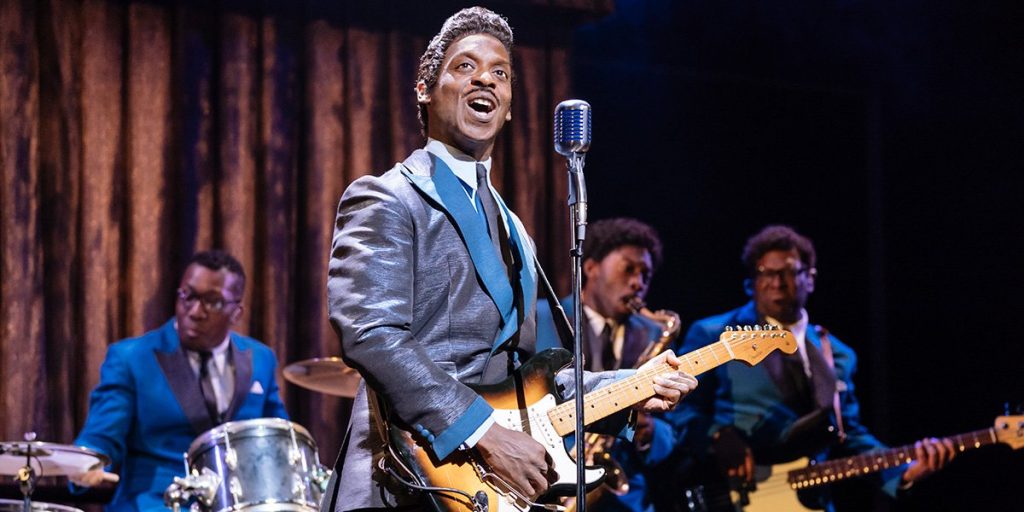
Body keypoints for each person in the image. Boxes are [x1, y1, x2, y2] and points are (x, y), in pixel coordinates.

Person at [319, 7, 697, 512]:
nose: (485, 79)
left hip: (485, 491)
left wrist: (630, 388)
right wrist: (483, 432)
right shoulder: (387, 197)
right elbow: (370, 332)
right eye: (465, 66)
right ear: (424, 90)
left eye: (500, 72)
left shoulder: (515, 228)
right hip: (404, 482)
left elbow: (528, 378)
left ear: (511, 106)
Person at [668, 225, 955, 511]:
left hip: (809, 501)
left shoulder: (838, 354)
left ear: (811, 279)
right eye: (766, 272)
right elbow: (680, 409)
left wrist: (902, 473)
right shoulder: (715, 334)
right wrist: (717, 436)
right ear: (751, 282)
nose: (777, 282)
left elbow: (848, 433)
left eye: (790, 272)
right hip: (732, 495)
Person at [72, 250, 289, 511]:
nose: (195, 312)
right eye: (188, 296)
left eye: (213, 302)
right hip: (157, 503)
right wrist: (86, 463)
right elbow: (101, 436)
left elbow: (280, 439)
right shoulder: (131, 358)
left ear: (236, 313)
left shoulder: (261, 359)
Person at [536, 217, 681, 512]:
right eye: (628, 268)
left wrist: (648, 430)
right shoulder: (543, 317)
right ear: (591, 267)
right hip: (547, 482)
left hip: (627, 498)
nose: (638, 283)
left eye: (645, 274)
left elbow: (674, 431)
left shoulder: (654, 335)